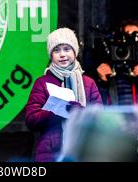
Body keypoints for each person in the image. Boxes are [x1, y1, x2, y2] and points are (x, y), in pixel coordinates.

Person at [25, 27, 102, 162]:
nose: (62, 54)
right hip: (49, 153)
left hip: (83, 151)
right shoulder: (42, 82)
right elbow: (31, 119)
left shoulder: (88, 83)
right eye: (56, 50)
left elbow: (100, 119)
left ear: (75, 51)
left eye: (67, 49)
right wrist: (55, 111)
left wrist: (79, 112)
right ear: (51, 55)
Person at [95, 19, 138, 105]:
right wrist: (101, 83)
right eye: (127, 37)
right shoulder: (104, 67)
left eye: (137, 38)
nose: (132, 42)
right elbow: (94, 106)